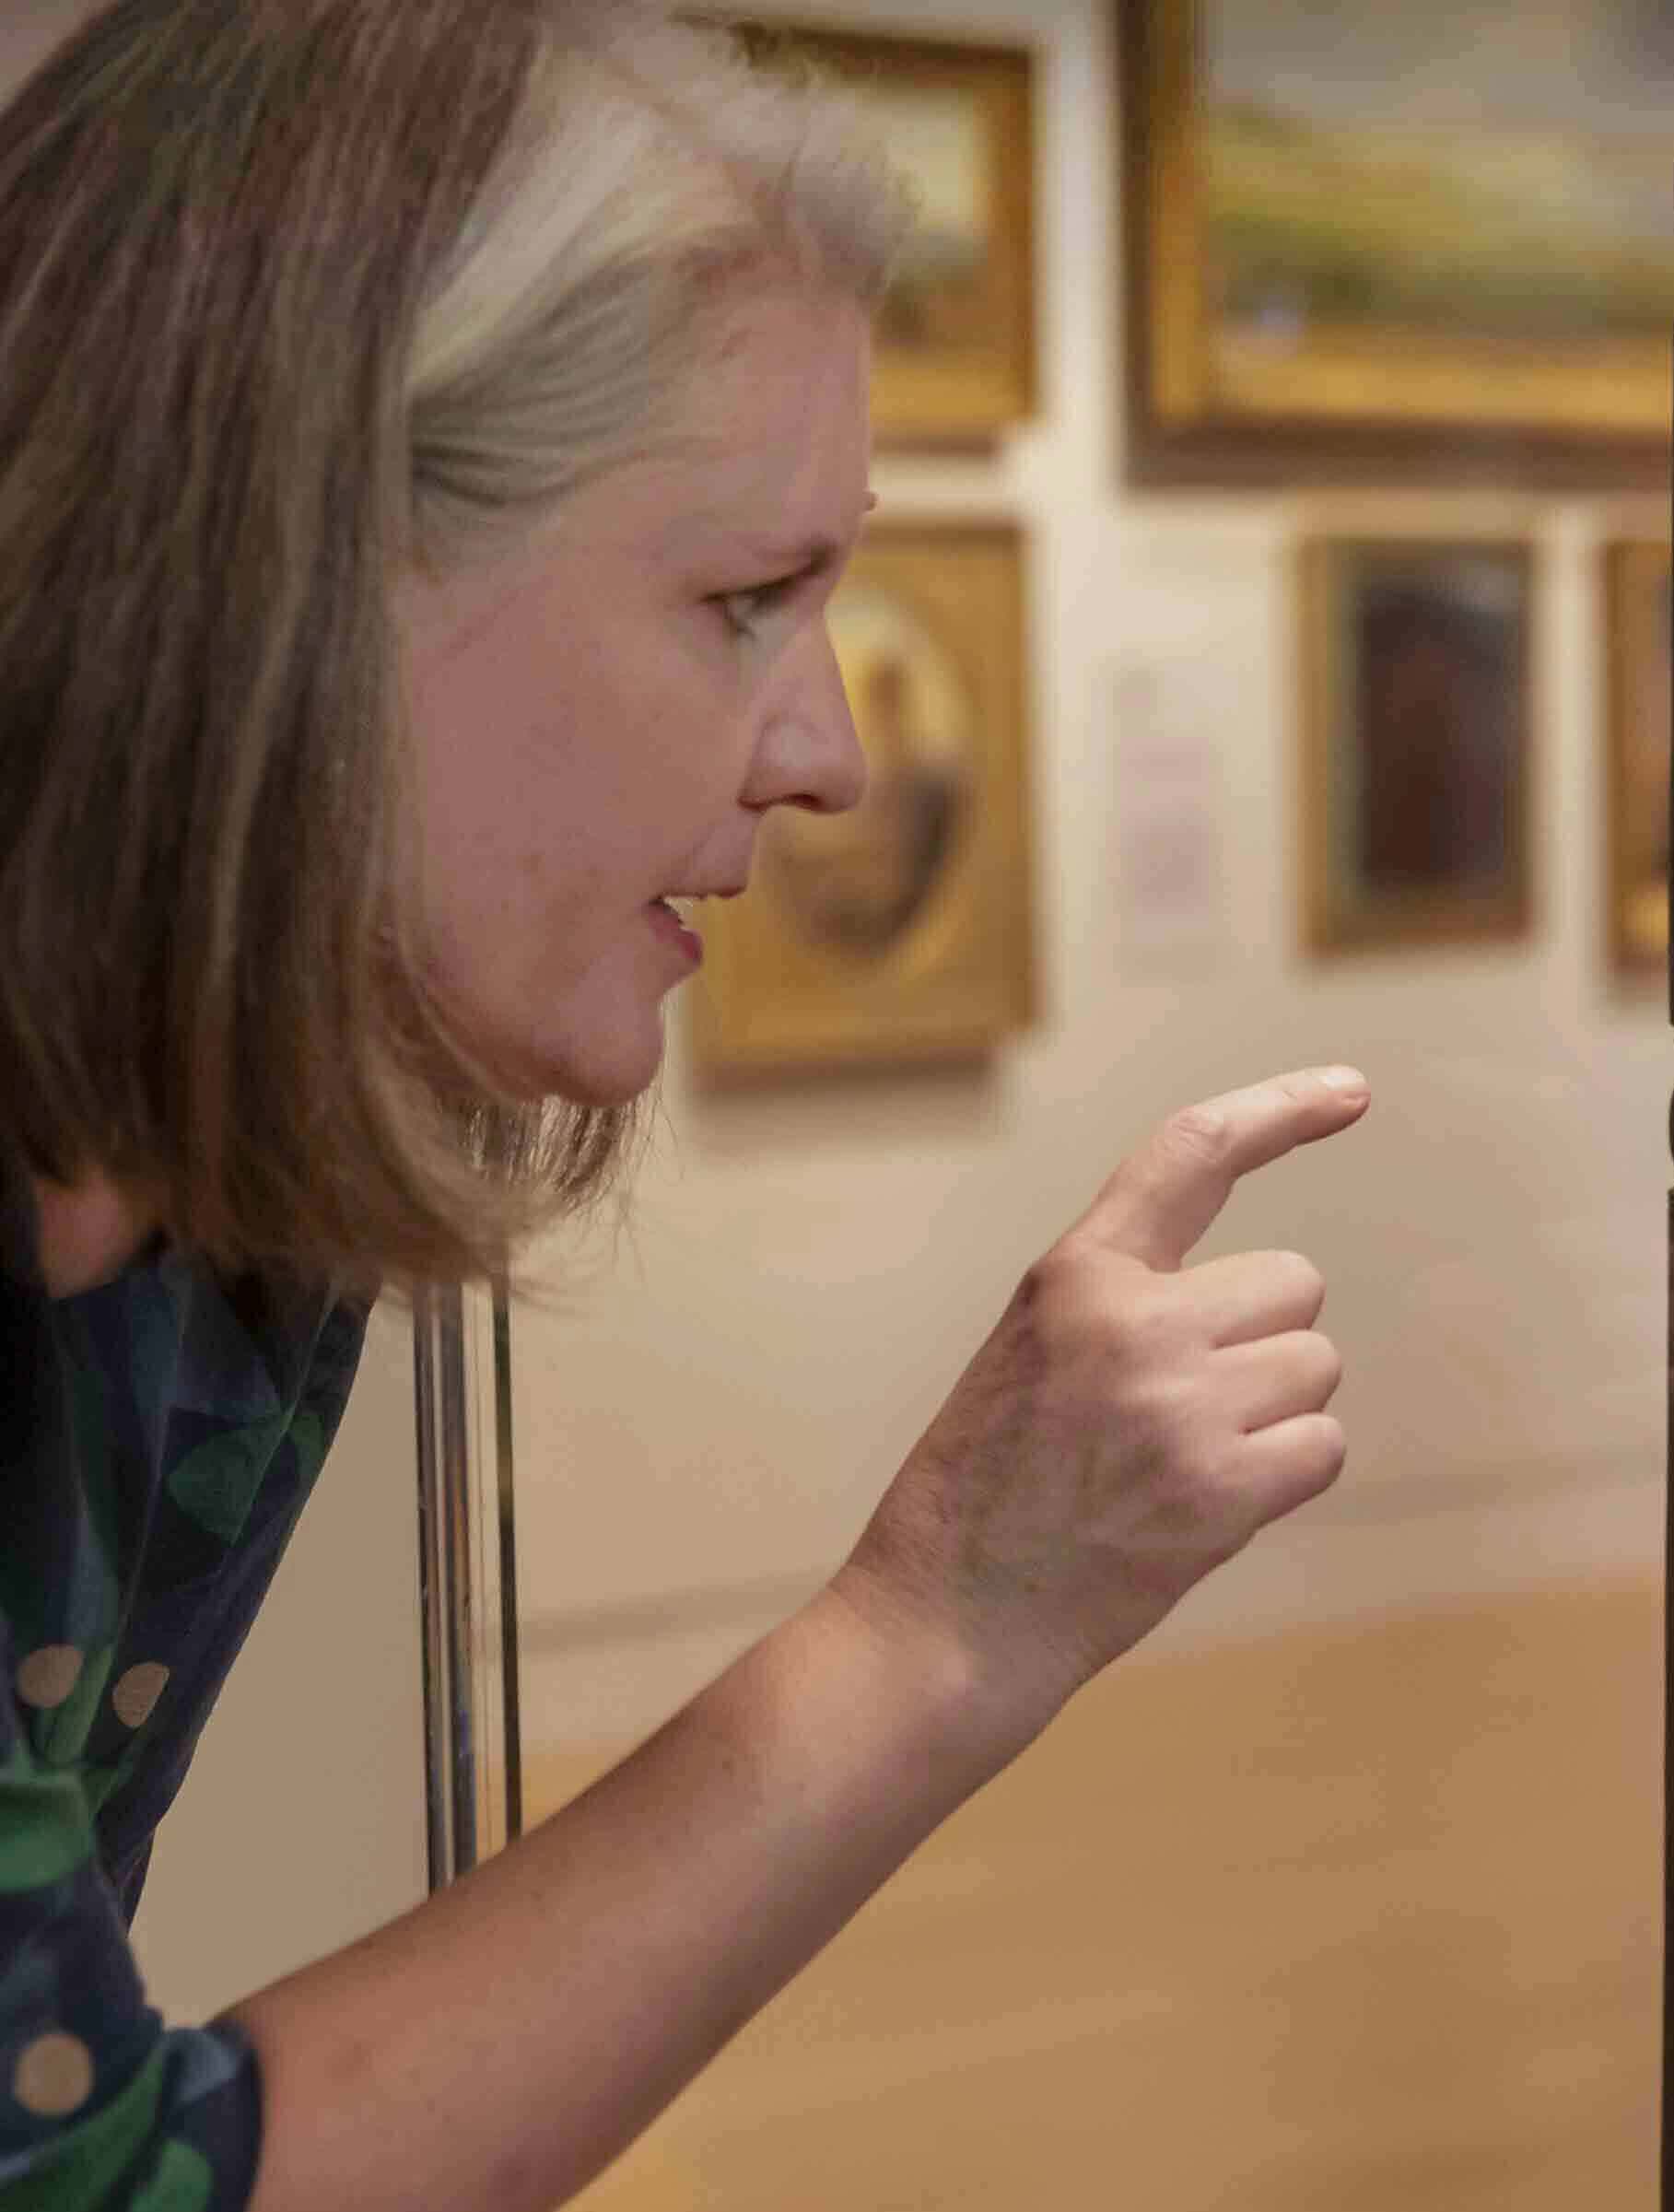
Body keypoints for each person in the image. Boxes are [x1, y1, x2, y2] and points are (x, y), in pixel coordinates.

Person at [0, 6, 1366, 2207]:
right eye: (739, 600)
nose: (824, 755)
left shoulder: (227, 1214)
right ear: (297, 563)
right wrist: (937, 1616)